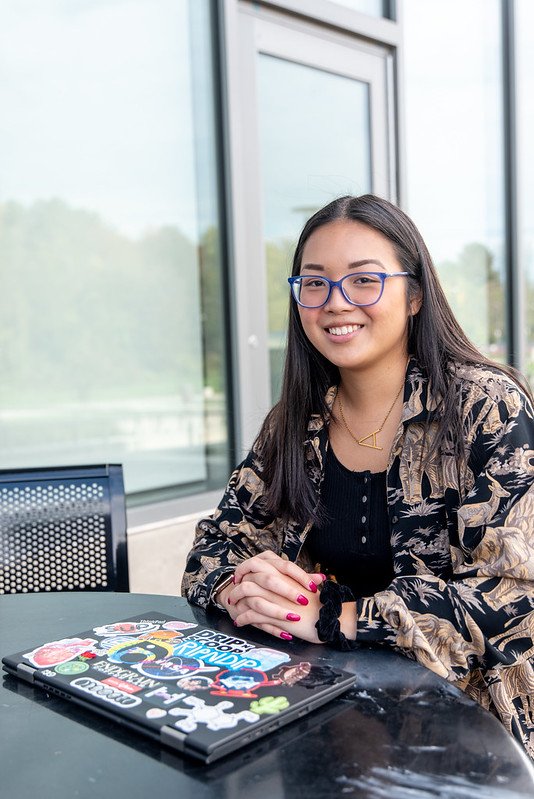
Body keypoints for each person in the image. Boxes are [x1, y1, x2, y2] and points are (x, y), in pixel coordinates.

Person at [182, 194, 534, 758]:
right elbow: (213, 551)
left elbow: (509, 600)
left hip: (473, 732)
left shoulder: (485, 407)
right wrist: (248, 588)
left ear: (415, 294)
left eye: (364, 280)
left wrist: (333, 616)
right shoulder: (296, 423)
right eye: (314, 283)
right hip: (325, 722)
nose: (335, 302)